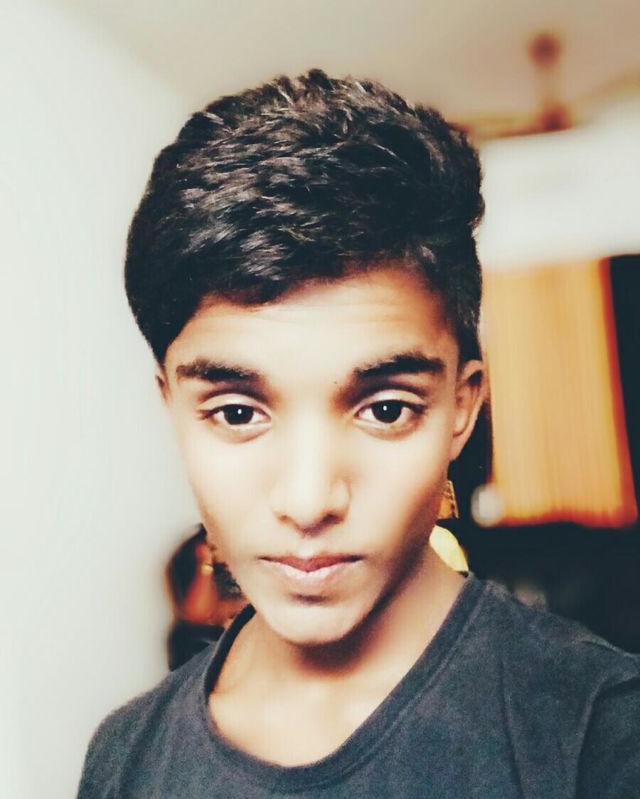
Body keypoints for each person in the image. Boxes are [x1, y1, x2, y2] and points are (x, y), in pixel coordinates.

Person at [77, 70, 640, 797]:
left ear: (462, 407)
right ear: (173, 408)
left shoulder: (601, 736)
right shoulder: (124, 758)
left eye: (385, 409)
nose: (309, 501)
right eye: (238, 413)